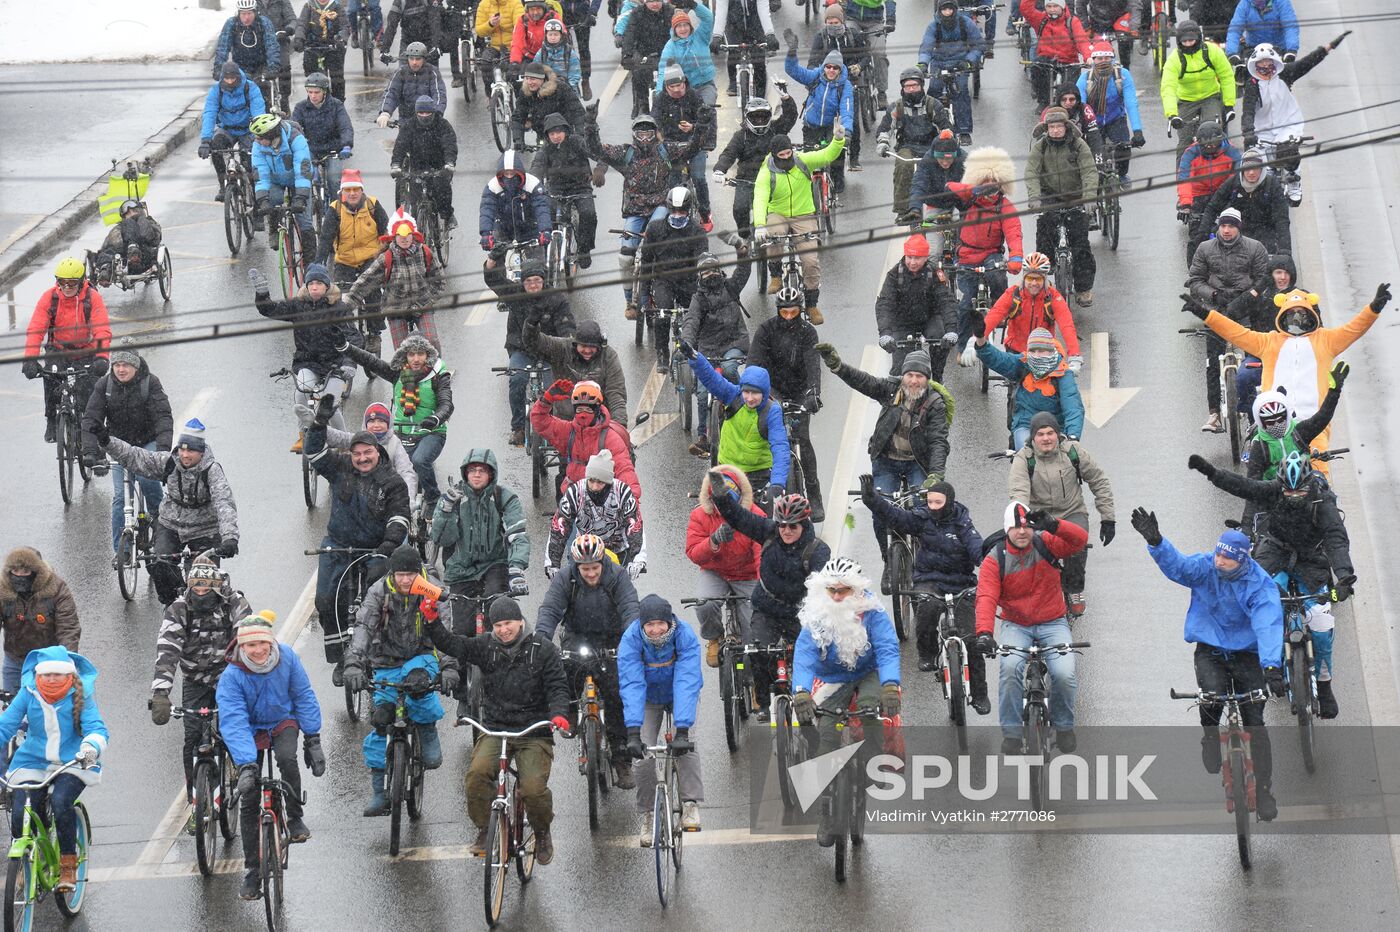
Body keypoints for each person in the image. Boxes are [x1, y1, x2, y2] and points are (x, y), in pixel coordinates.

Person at [1131, 510, 1282, 820]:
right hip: (1210, 649)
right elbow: (1180, 568)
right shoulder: (1206, 565)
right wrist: (1157, 542)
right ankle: (1210, 736)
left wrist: (1271, 667)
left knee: (1255, 720)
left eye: (1227, 559)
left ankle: (1264, 791)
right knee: (1210, 695)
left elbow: (1268, 623)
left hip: (1247, 653)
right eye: (1218, 555)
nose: (1219, 562)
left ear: (1242, 560)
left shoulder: (1259, 583)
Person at [1187, 452, 1353, 718]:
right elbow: (1242, 485)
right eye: (1289, 492)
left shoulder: (1323, 503)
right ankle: (1268, 666)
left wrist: (1344, 576)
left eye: (1300, 492)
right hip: (1274, 552)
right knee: (1264, 605)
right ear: (1280, 485)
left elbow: (1336, 539)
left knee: (1321, 626)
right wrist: (1210, 472)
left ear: (1309, 484)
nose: (1294, 497)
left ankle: (1324, 686)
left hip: (1311, 559)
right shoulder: (1274, 490)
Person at [424, 595, 571, 863]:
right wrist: (433, 621)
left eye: (508, 623)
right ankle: (485, 828)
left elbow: (558, 686)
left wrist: (559, 714)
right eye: (498, 625)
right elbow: (453, 644)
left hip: (533, 732)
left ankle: (542, 831)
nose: (503, 630)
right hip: (495, 728)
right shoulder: (485, 645)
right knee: (476, 777)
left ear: (520, 621)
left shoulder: (543, 648)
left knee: (533, 790)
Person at [1190, 285, 1386, 457]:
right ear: (1283, 314)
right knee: (1264, 486)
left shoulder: (1327, 340)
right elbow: (1236, 332)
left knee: (1319, 481)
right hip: (1273, 425)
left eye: (1302, 313)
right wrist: (1205, 313)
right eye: (1292, 313)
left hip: (1314, 425)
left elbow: (1354, 329)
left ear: (1312, 314)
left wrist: (1373, 309)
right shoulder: (1269, 341)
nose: (1297, 318)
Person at [817, 342, 953, 582]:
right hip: (887, 462)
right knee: (880, 511)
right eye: (909, 375)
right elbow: (864, 381)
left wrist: (935, 475)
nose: (913, 381)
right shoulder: (891, 390)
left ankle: (924, 557)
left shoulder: (935, 404)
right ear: (902, 377)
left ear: (927, 379)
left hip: (917, 464)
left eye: (919, 376)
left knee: (923, 510)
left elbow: (939, 442)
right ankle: (888, 560)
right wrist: (838, 367)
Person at [790, 557, 900, 843]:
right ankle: (827, 812)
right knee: (827, 731)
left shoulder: (872, 612)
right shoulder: (816, 615)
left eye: (844, 591)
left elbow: (888, 648)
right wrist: (801, 691)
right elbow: (803, 656)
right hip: (832, 678)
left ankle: (873, 764)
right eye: (832, 591)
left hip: (869, 673)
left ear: (857, 591)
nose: (837, 597)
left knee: (869, 711)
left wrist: (890, 685)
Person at [217, 613, 324, 899]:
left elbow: (303, 695)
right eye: (252, 646)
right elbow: (233, 721)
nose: (259, 651)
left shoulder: (286, 657)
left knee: (287, 759)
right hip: (249, 729)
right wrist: (247, 765)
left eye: (264, 643)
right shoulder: (232, 676)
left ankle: (295, 816)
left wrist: (312, 739)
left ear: (271, 641)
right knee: (250, 799)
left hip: (281, 720)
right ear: (242, 647)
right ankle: (253, 871)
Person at [343, 545, 454, 815]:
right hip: (385, 661)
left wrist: (449, 667)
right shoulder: (378, 591)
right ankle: (379, 791)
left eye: (411, 575)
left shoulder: (432, 591)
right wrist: (354, 663)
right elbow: (363, 628)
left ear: (419, 574)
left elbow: (446, 633)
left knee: (418, 686)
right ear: (392, 573)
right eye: (400, 574)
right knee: (381, 719)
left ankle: (427, 729)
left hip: (421, 656)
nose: (406, 580)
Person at [708, 475, 830, 717]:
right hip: (767, 607)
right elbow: (738, 517)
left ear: (804, 525)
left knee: (817, 654)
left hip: (801, 611)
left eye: (792, 526)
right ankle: (763, 702)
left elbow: (822, 587)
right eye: (782, 525)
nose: (786, 530)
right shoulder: (769, 533)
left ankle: (815, 698)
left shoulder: (818, 550)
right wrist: (721, 496)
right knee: (758, 652)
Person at [304, 412, 412, 676]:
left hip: (376, 549)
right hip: (338, 545)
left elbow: (399, 518)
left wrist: (388, 546)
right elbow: (314, 453)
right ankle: (342, 658)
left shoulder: (393, 482)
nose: (362, 458)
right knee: (326, 600)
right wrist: (319, 425)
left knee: (376, 603)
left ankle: (377, 650)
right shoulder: (340, 467)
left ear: (378, 452)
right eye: (357, 454)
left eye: (367, 453)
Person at [975, 502, 1088, 753]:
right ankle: (1012, 734)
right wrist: (984, 632)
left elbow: (1080, 540)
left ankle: (1064, 726)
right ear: (1007, 530)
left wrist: (1055, 525)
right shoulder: (996, 559)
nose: (1022, 532)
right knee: (1010, 668)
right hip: (1016, 625)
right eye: (1016, 527)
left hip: (1053, 621)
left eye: (1027, 526)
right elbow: (986, 597)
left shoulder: (1046, 542)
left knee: (1064, 673)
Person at [149, 556, 252, 828]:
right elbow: (167, 650)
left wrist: (248, 680)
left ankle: (242, 775)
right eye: (197, 588)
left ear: (217, 586)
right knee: (192, 738)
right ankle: (197, 802)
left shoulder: (234, 603)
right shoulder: (179, 609)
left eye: (207, 588)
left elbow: (246, 640)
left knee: (235, 729)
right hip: (195, 679)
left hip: (230, 676)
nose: (201, 593)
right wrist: (161, 693)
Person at [860, 473, 985, 690]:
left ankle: (980, 691)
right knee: (926, 609)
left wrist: (990, 566)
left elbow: (978, 549)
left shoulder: (963, 524)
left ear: (950, 503)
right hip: (929, 580)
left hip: (961, 582)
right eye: (930, 502)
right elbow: (895, 516)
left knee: (971, 640)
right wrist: (872, 499)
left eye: (939, 502)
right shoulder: (922, 518)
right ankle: (927, 653)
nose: (933, 507)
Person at [0, 646, 107, 893]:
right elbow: (6, 725)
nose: (50, 678)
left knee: (60, 802)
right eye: (46, 674)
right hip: (32, 761)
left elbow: (97, 729)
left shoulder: (82, 695)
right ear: (38, 675)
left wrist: (91, 748)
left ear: (69, 675)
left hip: (73, 761)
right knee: (19, 811)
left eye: (57, 674)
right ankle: (25, 860)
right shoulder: (28, 693)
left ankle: (68, 863)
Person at [99, 420, 240, 606]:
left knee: (203, 581)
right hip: (171, 523)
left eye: (190, 451)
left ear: (202, 452)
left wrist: (230, 538)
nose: (185, 455)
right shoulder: (169, 463)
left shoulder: (212, 471)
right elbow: (135, 456)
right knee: (159, 563)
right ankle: (175, 607)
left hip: (205, 529)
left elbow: (224, 503)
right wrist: (107, 441)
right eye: (182, 450)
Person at [536, 534, 641, 786]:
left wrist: (632, 639)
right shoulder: (565, 578)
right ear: (576, 566)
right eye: (585, 569)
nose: (591, 573)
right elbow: (550, 609)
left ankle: (621, 759)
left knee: (617, 694)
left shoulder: (616, 576)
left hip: (612, 639)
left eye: (595, 567)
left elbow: (630, 607)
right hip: (578, 636)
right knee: (567, 667)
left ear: (602, 562)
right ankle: (571, 710)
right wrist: (541, 639)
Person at [587, 113, 700, 305]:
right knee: (625, 257)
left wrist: (701, 126)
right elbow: (597, 150)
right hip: (634, 210)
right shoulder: (626, 152)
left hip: (660, 205)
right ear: (634, 134)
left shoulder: (666, 150)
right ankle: (630, 299)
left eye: (649, 133)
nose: (645, 138)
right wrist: (590, 125)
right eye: (641, 134)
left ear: (655, 134)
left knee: (656, 231)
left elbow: (692, 148)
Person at [1008, 411, 1114, 616]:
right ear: (1033, 437)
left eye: (1050, 433)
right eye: (1040, 434)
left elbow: (1099, 480)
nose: (1046, 438)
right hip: (1039, 516)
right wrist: (1021, 523)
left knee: (1077, 543)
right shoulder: (1023, 459)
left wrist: (1108, 518)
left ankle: (1074, 589)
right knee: (1032, 549)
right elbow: (1018, 494)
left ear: (1058, 434)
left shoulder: (1073, 452)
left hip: (1072, 511)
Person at [252, 263, 360, 450]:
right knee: (301, 392)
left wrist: (349, 362)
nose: (314, 287)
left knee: (330, 405)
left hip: (335, 365)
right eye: (311, 283)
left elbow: (354, 337)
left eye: (319, 283)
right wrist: (262, 294)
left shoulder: (340, 308)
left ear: (327, 286)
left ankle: (345, 444)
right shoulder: (298, 305)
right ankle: (304, 434)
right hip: (307, 363)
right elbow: (269, 309)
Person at [621, 594, 703, 840]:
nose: (655, 630)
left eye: (661, 623)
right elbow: (632, 683)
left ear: (670, 622)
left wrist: (683, 729)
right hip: (647, 698)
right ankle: (648, 814)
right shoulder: (630, 640)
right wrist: (633, 731)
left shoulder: (685, 636)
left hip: (679, 694)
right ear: (642, 625)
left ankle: (690, 804)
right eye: (649, 625)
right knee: (642, 757)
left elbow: (687, 681)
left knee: (687, 746)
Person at [340, 333, 452, 508]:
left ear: (428, 355)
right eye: (411, 354)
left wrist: (436, 418)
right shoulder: (397, 373)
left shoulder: (439, 376)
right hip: (402, 431)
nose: (416, 359)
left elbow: (446, 403)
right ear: (404, 355)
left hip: (431, 432)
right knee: (388, 465)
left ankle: (433, 500)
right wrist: (346, 347)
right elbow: (370, 361)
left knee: (419, 461)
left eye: (421, 354)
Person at [80, 343, 172, 551]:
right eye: (117, 364)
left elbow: (163, 417)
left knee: (149, 484)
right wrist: (90, 451)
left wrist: (163, 450)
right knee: (121, 497)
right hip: (118, 447)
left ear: (136, 367)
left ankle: (163, 535)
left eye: (126, 365)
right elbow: (91, 419)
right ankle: (121, 552)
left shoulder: (150, 383)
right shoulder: (105, 385)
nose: (121, 369)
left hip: (147, 444)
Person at [1185, 208, 1269, 431]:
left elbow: (1263, 279)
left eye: (1231, 226)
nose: (1226, 230)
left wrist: (1246, 298)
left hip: (1247, 311)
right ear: (1218, 227)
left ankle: (1260, 413)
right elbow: (1195, 281)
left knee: (1257, 361)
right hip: (1216, 311)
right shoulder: (1204, 249)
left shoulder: (1255, 248)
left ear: (1238, 228)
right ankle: (1214, 414)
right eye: (1223, 225)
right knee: (1213, 362)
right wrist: (1213, 295)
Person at [1241, 34, 1349, 206]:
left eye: (1269, 66)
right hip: (1262, 130)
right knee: (1261, 163)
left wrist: (1328, 48)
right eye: (1261, 67)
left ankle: (1293, 182)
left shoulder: (1285, 75)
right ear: (1255, 67)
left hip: (1288, 125)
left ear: (1275, 64)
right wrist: (1248, 132)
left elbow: (1307, 63)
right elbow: (1247, 112)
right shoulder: (1252, 85)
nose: (1266, 70)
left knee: (1290, 153)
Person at [752, 127, 846, 321]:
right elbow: (760, 198)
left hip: (804, 214)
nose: (786, 157)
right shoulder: (765, 172)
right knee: (774, 235)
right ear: (774, 155)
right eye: (782, 155)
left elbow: (827, 154)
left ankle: (812, 305)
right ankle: (776, 275)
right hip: (778, 213)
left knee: (811, 261)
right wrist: (760, 225)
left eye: (789, 153)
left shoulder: (802, 161)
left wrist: (838, 140)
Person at [746, 288, 824, 517]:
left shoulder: (808, 333)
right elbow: (754, 362)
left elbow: (813, 365)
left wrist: (813, 393)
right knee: (770, 436)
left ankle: (814, 493)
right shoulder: (766, 330)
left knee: (803, 438)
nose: (788, 316)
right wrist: (757, 390)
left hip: (800, 390)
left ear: (800, 310)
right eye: (784, 312)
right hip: (773, 389)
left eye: (793, 312)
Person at [484, 257, 577, 445]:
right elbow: (494, 280)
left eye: (537, 281)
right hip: (521, 349)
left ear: (544, 280)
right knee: (517, 381)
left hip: (550, 350)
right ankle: (518, 428)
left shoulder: (556, 298)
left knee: (555, 389)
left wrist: (567, 343)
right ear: (522, 282)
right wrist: (492, 262)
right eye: (528, 281)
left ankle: (555, 426)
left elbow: (567, 327)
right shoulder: (515, 295)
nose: (533, 285)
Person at [22, 257, 112, 445]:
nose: (67, 286)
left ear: (81, 282)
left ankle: (94, 442)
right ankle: (51, 420)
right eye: (62, 282)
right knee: (51, 379)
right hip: (59, 350)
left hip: (85, 350)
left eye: (72, 283)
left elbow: (102, 328)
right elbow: (36, 328)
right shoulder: (49, 298)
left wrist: (102, 357)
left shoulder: (92, 297)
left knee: (90, 394)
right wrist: (30, 359)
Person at [944, 146, 1021, 361]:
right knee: (965, 304)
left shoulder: (1004, 206)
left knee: (997, 274)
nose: (989, 188)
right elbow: (949, 187)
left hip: (991, 254)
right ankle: (961, 348)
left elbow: (1014, 233)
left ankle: (1000, 308)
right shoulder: (969, 200)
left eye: (994, 183)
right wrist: (972, 191)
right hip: (967, 256)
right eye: (984, 182)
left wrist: (1016, 258)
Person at [682, 351, 790, 502]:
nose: (750, 398)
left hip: (757, 475)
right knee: (723, 518)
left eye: (756, 393)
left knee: (760, 520)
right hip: (727, 470)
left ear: (764, 393)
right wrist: (695, 357)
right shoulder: (732, 395)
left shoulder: (772, 411)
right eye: (746, 392)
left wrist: (777, 482)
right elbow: (711, 379)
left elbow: (780, 447)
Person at [432, 448, 531, 602]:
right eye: (472, 470)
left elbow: (518, 535)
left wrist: (516, 568)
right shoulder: (452, 499)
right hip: (460, 568)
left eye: (482, 470)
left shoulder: (504, 498)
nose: (477, 474)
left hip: (495, 565)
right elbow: (442, 540)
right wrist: (447, 510)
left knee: (500, 614)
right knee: (461, 625)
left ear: (491, 473)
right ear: (465, 473)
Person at [686, 465, 761, 663]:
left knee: (754, 626)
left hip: (747, 574)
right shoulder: (699, 516)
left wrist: (763, 584)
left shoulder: (755, 515)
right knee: (704, 604)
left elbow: (762, 553)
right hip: (715, 572)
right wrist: (713, 541)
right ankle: (714, 637)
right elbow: (694, 553)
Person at [682, 250, 752, 456]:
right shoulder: (698, 299)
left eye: (713, 269)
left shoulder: (730, 287)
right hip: (708, 349)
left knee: (730, 368)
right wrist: (686, 342)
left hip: (734, 342)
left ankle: (743, 411)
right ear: (699, 276)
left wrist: (742, 251)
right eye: (705, 271)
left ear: (719, 270)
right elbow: (691, 321)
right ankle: (703, 436)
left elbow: (745, 269)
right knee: (703, 394)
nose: (710, 274)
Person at [346, 208, 447, 350]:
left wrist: (426, 302)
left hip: (422, 304)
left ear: (413, 235)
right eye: (400, 235)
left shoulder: (425, 252)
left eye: (407, 234)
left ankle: (436, 370)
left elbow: (440, 282)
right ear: (393, 237)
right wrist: (347, 304)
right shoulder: (386, 258)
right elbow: (365, 281)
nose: (404, 238)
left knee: (431, 342)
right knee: (402, 350)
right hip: (395, 308)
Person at [1026, 107, 1097, 308]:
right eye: (1051, 127)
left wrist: (1089, 197)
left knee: (1081, 245)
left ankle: (1083, 289)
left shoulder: (1079, 145)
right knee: (1044, 238)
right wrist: (1035, 198)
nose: (1055, 130)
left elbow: (1089, 171)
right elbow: (1031, 172)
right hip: (1050, 197)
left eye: (1059, 126)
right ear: (1046, 128)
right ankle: (1041, 284)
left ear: (1066, 127)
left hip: (1075, 196)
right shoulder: (1040, 147)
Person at [971, 323, 1085, 447]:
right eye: (1032, 351)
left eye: (1041, 351)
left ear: (1051, 351)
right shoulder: (1024, 363)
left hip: (1055, 429)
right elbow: (999, 359)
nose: (1036, 355)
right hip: (1025, 426)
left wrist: (1073, 437)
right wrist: (981, 339)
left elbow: (1073, 407)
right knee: (1025, 454)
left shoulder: (1063, 374)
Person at [316, 170, 390, 358]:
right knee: (339, 300)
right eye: (348, 190)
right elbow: (325, 239)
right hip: (345, 261)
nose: (352, 193)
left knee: (372, 293)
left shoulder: (373, 205)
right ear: (342, 192)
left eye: (356, 189)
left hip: (370, 259)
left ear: (361, 190)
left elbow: (387, 233)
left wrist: (386, 255)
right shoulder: (335, 210)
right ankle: (345, 336)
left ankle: (374, 334)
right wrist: (317, 265)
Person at [532, 380, 642, 499]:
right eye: (579, 410)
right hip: (573, 496)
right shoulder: (568, 431)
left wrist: (632, 498)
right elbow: (540, 421)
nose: (583, 414)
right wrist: (546, 400)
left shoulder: (610, 437)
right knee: (560, 512)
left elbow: (624, 469)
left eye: (588, 410)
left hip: (601, 497)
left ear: (597, 410)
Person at [712, 91, 798, 239]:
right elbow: (728, 154)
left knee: (780, 211)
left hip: (774, 179)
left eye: (763, 116)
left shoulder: (776, 130)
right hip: (746, 180)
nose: (759, 120)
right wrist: (719, 169)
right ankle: (745, 236)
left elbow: (790, 116)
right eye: (755, 117)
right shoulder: (741, 136)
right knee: (739, 208)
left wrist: (786, 98)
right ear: (747, 117)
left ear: (769, 117)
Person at [873, 234, 959, 380]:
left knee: (940, 343)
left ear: (926, 258)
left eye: (917, 258)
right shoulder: (894, 275)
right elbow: (885, 304)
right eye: (909, 257)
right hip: (902, 321)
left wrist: (951, 331)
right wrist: (885, 334)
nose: (912, 262)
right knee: (898, 370)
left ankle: (938, 379)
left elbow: (946, 301)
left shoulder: (935, 273)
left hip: (929, 317)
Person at [1246, 363, 1346, 485]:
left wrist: (1334, 391)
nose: (1277, 424)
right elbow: (1252, 484)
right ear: (1261, 422)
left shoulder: (1299, 432)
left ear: (1287, 416)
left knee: (1326, 494)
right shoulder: (1259, 445)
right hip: (1274, 491)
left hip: (1306, 485)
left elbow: (1322, 417)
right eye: (1270, 422)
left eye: (1280, 419)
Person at [548, 450, 646, 575]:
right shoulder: (575, 492)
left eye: (600, 482)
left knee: (624, 591)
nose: (594, 487)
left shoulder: (622, 492)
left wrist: (638, 559)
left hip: (618, 551)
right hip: (584, 550)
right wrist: (552, 564)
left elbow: (635, 526)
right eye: (591, 480)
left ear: (608, 482)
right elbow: (559, 527)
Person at [875, 68, 952, 221]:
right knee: (903, 167)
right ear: (902, 88)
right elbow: (885, 128)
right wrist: (883, 142)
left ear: (922, 86)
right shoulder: (896, 107)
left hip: (931, 147)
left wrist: (947, 137)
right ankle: (902, 210)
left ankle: (945, 206)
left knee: (941, 170)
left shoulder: (933, 105)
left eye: (914, 85)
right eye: (907, 86)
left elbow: (946, 127)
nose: (911, 89)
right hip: (907, 147)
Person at [982, 252, 1080, 371]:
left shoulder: (1054, 298)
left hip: (1044, 352)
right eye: (1029, 278)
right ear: (1024, 277)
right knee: (1017, 384)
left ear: (1045, 278)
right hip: (1016, 352)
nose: (1034, 283)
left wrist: (1074, 355)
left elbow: (1067, 326)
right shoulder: (1013, 294)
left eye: (1038, 279)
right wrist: (975, 341)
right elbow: (994, 315)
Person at [0, 549, 80, 695]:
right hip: (15, 662)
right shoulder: (2, 589)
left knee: (48, 709)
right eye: (15, 570)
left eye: (25, 571)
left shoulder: (57, 588)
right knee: (11, 711)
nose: (19, 575)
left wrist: (65, 661)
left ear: (37, 571)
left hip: (49, 662)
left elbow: (68, 627)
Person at [782, 34, 853, 195]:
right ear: (824, 66)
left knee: (835, 154)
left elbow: (847, 111)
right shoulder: (815, 76)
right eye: (828, 66)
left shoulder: (845, 87)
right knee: (809, 163)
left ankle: (837, 178)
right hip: (811, 126)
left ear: (840, 70)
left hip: (830, 127)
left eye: (835, 68)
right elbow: (792, 70)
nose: (831, 70)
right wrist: (792, 53)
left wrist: (846, 132)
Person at [523, 318, 629, 426]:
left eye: (592, 347)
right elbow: (535, 343)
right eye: (583, 346)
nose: (587, 351)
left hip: (599, 421)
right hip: (565, 422)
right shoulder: (562, 349)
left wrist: (619, 427)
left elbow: (616, 394)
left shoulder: (608, 356)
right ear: (575, 343)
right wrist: (532, 324)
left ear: (600, 346)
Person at [301, 401, 419, 497]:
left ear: (389, 424)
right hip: (361, 490)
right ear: (365, 424)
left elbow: (406, 471)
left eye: (381, 421)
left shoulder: (395, 444)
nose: (376, 425)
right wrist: (316, 425)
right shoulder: (359, 439)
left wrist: (408, 497)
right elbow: (338, 437)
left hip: (387, 492)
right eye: (372, 421)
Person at [531, 112, 602, 267]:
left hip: (581, 188)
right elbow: (537, 168)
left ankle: (584, 249)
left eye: (559, 132)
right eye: (552, 133)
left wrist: (600, 170)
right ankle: (546, 252)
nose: (556, 136)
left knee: (588, 215)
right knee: (545, 217)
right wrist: (531, 186)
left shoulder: (577, 142)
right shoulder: (545, 150)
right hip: (556, 190)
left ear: (566, 131)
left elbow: (599, 153)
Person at [806, 4, 871, 172]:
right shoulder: (821, 37)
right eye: (829, 22)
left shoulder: (853, 35)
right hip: (828, 81)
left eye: (836, 22)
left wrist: (859, 67)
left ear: (842, 21)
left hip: (850, 80)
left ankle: (854, 158)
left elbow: (866, 55)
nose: (832, 25)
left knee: (852, 121)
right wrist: (817, 75)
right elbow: (812, 62)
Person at [1161, 19, 1235, 162]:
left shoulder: (1212, 51)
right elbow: (1168, 87)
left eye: (1192, 40)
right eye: (1184, 41)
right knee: (1184, 143)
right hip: (1186, 101)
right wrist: (1172, 115)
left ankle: (1222, 171)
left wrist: (1228, 104)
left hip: (1211, 97)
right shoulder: (1174, 59)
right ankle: (1181, 179)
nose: (1188, 44)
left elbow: (1227, 76)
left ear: (1199, 38)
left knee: (1213, 136)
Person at [249, 112, 316, 269]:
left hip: (298, 179)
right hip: (275, 180)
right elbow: (260, 174)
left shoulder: (295, 138)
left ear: (271, 135)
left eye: (260, 137)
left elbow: (303, 169)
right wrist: (263, 200)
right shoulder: (258, 145)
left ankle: (311, 266)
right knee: (274, 199)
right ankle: (274, 226)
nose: (256, 140)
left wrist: (301, 196)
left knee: (304, 221)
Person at [633, 186, 710, 322]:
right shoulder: (655, 229)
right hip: (663, 280)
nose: (677, 215)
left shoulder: (697, 231)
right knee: (663, 317)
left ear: (688, 210)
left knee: (694, 321)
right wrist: (644, 294)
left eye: (682, 211)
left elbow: (702, 261)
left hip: (689, 281)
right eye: (674, 210)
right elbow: (647, 261)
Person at [653, 65, 717, 228]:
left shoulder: (694, 96)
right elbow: (655, 123)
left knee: (699, 177)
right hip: (672, 146)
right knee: (671, 182)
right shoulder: (660, 99)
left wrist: (694, 127)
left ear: (684, 82)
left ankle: (705, 212)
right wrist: (659, 139)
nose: (676, 90)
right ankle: (672, 213)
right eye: (672, 87)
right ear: (666, 87)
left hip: (694, 144)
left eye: (679, 85)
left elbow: (707, 120)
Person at [1195, 148, 1290, 256]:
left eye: (1256, 168)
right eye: (1247, 168)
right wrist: (1202, 234)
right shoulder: (1234, 182)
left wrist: (1285, 251)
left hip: (1265, 232)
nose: (1251, 172)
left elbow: (1282, 220)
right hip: (1236, 229)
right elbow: (1212, 208)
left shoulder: (1272, 185)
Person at [1077, 41, 1146, 182]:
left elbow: (1131, 103)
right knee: (1093, 157)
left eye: (1107, 58)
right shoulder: (1085, 79)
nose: (1103, 61)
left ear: (1112, 58)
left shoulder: (1122, 75)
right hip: (1093, 121)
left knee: (1124, 148)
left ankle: (1121, 176)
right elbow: (1080, 106)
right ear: (1093, 60)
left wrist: (1137, 131)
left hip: (1116, 118)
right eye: (1099, 58)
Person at [199, 63, 267, 204]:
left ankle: (256, 205)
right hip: (227, 128)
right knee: (216, 146)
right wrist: (205, 140)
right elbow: (209, 113)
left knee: (250, 163)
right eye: (226, 79)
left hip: (248, 129)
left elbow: (258, 113)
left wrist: (259, 134)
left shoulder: (250, 88)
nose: (229, 82)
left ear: (238, 77)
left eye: (233, 79)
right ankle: (223, 184)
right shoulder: (216, 91)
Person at [918, 0, 983, 143]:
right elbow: (926, 47)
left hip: (960, 64)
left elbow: (978, 45)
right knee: (933, 93)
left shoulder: (966, 23)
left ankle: (964, 130)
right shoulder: (933, 26)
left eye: (950, 9)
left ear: (955, 9)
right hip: (939, 64)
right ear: (939, 11)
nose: (947, 12)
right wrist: (922, 64)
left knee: (961, 92)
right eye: (944, 10)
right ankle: (928, 127)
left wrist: (968, 61)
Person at [392, 95, 458, 232]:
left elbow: (449, 145)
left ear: (433, 113)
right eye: (421, 113)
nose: (424, 116)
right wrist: (396, 165)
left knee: (442, 191)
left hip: (439, 167)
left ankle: (448, 216)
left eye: (428, 113)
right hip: (417, 167)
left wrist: (449, 163)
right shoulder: (409, 126)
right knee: (415, 204)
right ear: (416, 113)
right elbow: (400, 147)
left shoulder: (443, 125)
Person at [1176, 120, 1241, 244]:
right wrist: (1186, 205)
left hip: (1223, 192)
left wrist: (1234, 197)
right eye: (1205, 144)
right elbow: (1184, 179)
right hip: (1199, 195)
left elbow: (1237, 178)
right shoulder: (1191, 152)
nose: (1209, 147)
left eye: (1213, 143)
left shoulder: (1231, 151)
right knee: (1196, 236)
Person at [291, 72, 353, 197]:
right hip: (310, 149)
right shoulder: (300, 107)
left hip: (333, 149)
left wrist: (346, 145)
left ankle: (336, 211)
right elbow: (294, 129)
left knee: (334, 180)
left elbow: (345, 126)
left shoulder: (336, 105)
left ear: (325, 91)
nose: (313, 96)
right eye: (310, 92)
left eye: (317, 92)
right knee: (307, 179)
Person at [1019, 0, 1090, 107]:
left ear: (1062, 7)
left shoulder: (1072, 22)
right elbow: (1026, 9)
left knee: (1071, 87)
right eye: (1049, 6)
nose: (1052, 9)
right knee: (1036, 69)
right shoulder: (1041, 19)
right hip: (1046, 59)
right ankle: (1043, 102)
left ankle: (1073, 106)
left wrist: (1088, 57)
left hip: (1069, 60)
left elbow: (1082, 41)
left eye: (1055, 6)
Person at [479, 149, 552, 254]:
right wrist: (486, 234)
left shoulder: (533, 185)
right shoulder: (492, 187)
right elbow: (487, 209)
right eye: (506, 174)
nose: (509, 177)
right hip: (503, 231)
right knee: (492, 265)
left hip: (529, 232)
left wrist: (545, 230)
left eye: (512, 173)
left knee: (536, 268)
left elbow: (541, 208)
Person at [213, 0, 281, 104]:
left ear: (255, 12)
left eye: (249, 13)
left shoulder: (263, 23)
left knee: (264, 93)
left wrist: (273, 67)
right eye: (243, 14)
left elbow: (272, 46)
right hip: (240, 67)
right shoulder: (232, 24)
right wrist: (218, 68)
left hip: (261, 66)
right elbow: (223, 47)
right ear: (238, 13)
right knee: (237, 95)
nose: (246, 17)